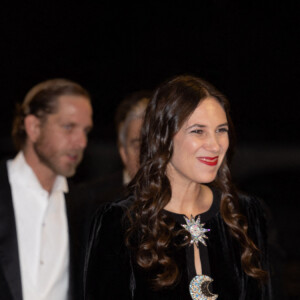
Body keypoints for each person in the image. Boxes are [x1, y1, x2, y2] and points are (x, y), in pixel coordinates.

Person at [84, 75, 272, 299]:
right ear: (163, 137)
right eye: (198, 131)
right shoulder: (120, 222)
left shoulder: (245, 214)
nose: (214, 145)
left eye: (221, 130)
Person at [0, 78, 93, 300]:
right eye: (69, 127)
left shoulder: (83, 207)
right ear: (33, 127)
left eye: (86, 131)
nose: (81, 142)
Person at [83, 90, 151, 203]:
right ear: (123, 152)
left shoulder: (185, 199)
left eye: (155, 143)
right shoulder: (90, 200)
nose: (148, 153)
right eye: (138, 144)